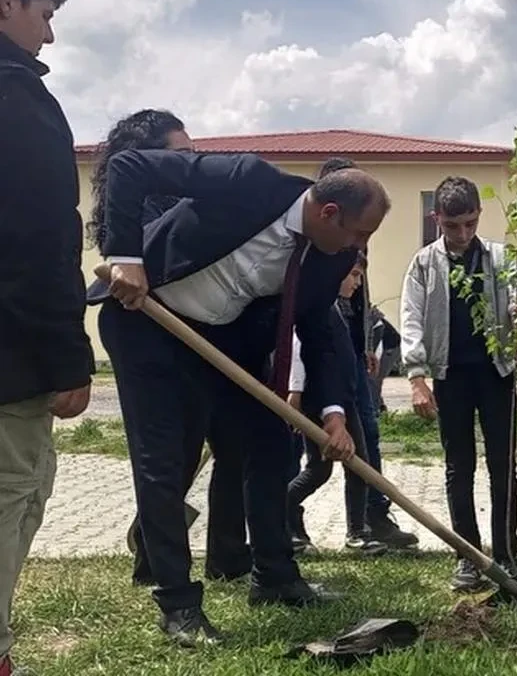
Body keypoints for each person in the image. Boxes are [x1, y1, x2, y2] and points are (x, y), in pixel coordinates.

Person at [93, 148, 389, 647]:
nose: (359, 249)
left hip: (224, 343)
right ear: (328, 213)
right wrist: (127, 257)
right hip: (148, 320)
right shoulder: (246, 180)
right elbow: (129, 168)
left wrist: (333, 414)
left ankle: (274, 576)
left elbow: (319, 333)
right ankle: (178, 605)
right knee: (164, 459)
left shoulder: (325, 257)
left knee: (271, 442)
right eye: (358, 234)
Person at [84, 109, 256, 588]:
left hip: (196, 329)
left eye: (194, 155)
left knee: (228, 441)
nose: (192, 165)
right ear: (147, 159)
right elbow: (156, 252)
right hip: (143, 327)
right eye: (182, 156)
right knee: (168, 455)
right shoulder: (136, 205)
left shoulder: (186, 198)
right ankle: (163, 573)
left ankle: (227, 556)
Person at [0, 0, 92, 672]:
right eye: (46, 14)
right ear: (8, 1)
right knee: (14, 494)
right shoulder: (17, 103)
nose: (50, 36)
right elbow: (42, 239)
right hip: (11, 362)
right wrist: (69, 357)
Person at [400, 176, 517, 590]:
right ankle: (469, 556)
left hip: (497, 374)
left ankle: (506, 554)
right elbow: (411, 319)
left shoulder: (499, 257)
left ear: (480, 216)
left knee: (503, 466)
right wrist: (417, 377)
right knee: (459, 466)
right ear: (436, 218)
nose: (462, 234)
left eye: (470, 224)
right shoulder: (424, 263)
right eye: (453, 226)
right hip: (451, 376)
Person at [308, 157, 417, 550]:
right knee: (315, 457)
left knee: (365, 436)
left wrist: (367, 346)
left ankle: (371, 517)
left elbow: (359, 300)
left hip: (352, 354)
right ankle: (290, 521)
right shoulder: (317, 244)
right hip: (313, 365)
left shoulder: (353, 242)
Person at [286, 258, 388, 557]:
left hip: (342, 401)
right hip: (319, 403)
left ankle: (357, 531)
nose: (357, 283)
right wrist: (295, 391)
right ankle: (281, 511)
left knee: (353, 466)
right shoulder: (317, 307)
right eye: (354, 275)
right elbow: (299, 349)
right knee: (327, 468)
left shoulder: (338, 308)